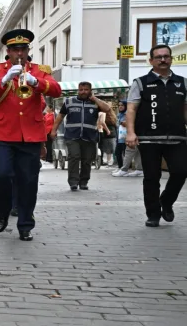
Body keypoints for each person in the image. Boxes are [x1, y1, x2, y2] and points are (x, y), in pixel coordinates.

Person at [0, 29, 61, 241]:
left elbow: (56, 90)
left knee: (28, 182)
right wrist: (4, 79)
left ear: (27, 50)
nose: (19, 53)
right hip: (2, 134)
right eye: (15, 49)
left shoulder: (39, 71)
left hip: (30, 136)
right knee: (2, 176)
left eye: (23, 49)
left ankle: (25, 224)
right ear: (8, 51)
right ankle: (3, 210)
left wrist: (35, 82)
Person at [125, 43, 187, 227]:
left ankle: (166, 202)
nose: (163, 60)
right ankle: (153, 214)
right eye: (158, 57)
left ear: (171, 59)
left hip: (177, 138)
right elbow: (131, 109)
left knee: (181, 172)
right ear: (151, 60)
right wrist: (130, 132)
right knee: (151, 177)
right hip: (148, 138)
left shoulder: (182, 82)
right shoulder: (140, 82)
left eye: (166, 56)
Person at [50, 82, 111, 191]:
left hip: (90, 136)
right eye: (81, 89)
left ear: (90, 90)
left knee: (87, 160)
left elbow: (107, 109)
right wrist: (54, 130)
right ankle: (73, 182)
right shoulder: (69, 102)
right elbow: (60, 117)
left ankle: (83, 182)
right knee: (74, 156)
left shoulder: (95, 103)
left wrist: (95, 99)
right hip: (72, 136)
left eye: (86, 89)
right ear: (78, 90)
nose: (83, 92)